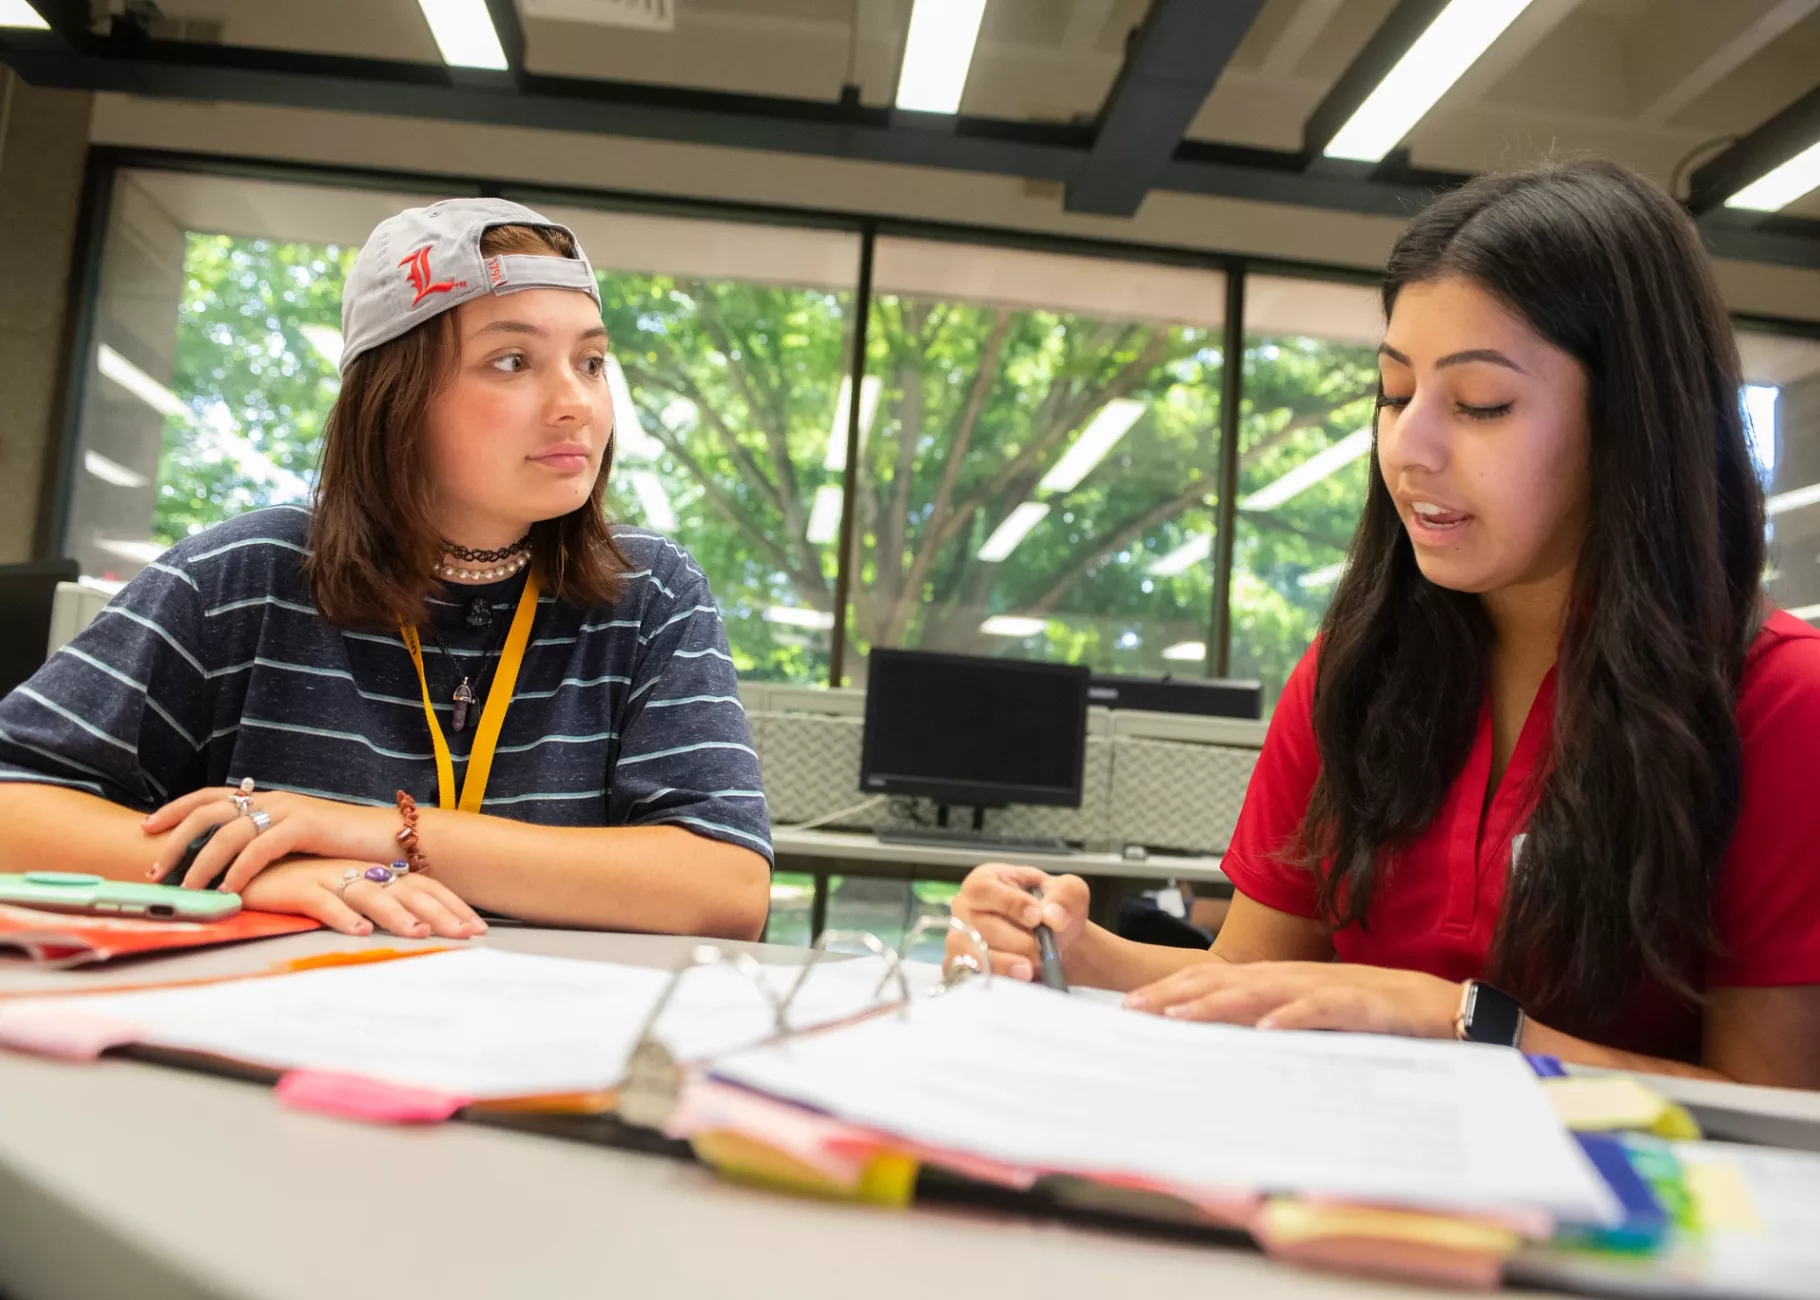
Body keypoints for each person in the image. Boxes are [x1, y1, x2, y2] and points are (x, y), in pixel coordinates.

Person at [951, 159, 1820, 1089]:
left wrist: (1462, 1021)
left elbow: (1778, 1104)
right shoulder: (1357, 672)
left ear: (1632, 423)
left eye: (1481, 404)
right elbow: (1245, 980)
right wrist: (1079, 951)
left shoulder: (1781, 703)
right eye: (1396, 393)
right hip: (1360, 1195)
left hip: (1630, 1220)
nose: (1410, 447)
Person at [0, 199, 771, 942]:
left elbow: (726, 888)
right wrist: (254, 876)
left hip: (541, 1043)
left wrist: (370, 835)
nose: (577, 403)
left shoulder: (650, 592)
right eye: (512, 361)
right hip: (279, 1030)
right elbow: (15, 805)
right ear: (395, 397)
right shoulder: (246, 575)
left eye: (592, 361)